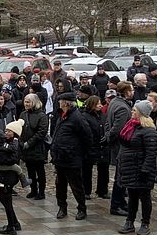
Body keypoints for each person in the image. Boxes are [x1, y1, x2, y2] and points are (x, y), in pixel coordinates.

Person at [117, 100, 157, 235]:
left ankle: (145, 223)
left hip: (142, 169)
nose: (132, 112)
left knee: (144, 197)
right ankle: (130, 222)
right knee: (132, 196)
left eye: (134, 110)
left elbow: (151, 153)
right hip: (130, 167)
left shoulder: (149, 131)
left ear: (141, 113)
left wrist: (145, 169)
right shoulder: (131, 126)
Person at [50, 91, 92, 220]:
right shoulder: (61, 115)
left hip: (72, 157)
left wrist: (80, 153)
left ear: (66, 103)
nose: (59, 103)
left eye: (61, 101)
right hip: (60, 157)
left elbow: (87, 137)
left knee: (76, 185)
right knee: (60, 185)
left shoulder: (77, 118)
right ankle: (62, 207)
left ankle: (81, 208)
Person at [105, 81, 134, 216]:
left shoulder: (114, 102)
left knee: (121, 175)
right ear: (126, 91)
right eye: (131, 90)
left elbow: (107, 123)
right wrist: (109, 137)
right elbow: (118, 129)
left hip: (116, 144)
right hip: (120, 146)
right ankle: (116, 205)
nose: (133, 92)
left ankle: (121, 202)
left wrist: (107, 135)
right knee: (121, 177)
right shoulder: (122, 107)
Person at [0, 121, 22, 234]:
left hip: (7, 177)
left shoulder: (13, 145)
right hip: (3, 177)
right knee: (3, 198)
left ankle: (11, 226)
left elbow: (12, 159)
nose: (6, 133)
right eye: (6, 131)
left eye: (9, 131)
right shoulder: (6, 144)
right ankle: (15, 222)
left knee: (6, 200)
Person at [19, 93, 48, 200]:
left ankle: (41, 191)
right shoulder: (23, 114)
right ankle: (33, 190)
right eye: (25, 101)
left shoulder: (41, 115)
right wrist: (21, 142)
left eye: (28, 102)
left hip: (37, 148)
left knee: (40, 171)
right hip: (26, 149)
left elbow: (41, 132)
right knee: (30, 170)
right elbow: (20, 128)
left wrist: (29, 143)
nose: (26, 104)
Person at [81, 95, 110, 199]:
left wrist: (106, 136)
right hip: (91, 146)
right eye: (97, 104)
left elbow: (107, 126)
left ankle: (102, 190)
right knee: (87, 170)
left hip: (102, 146)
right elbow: (86, 131)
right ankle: (86, 191)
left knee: (103, 169)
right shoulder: (85, 116)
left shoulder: (102, 115)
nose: (100, 106)